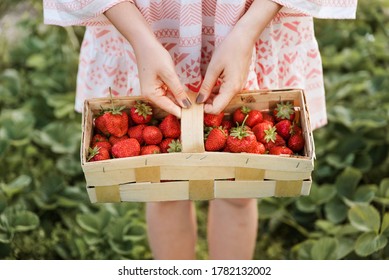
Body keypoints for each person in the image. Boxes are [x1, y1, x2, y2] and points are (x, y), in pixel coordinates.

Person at [44, 0, 358, 259]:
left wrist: (247, 32)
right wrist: (139, 38)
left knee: (238, 188)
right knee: (162, 186)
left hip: (250, 18)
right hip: (141, 23)